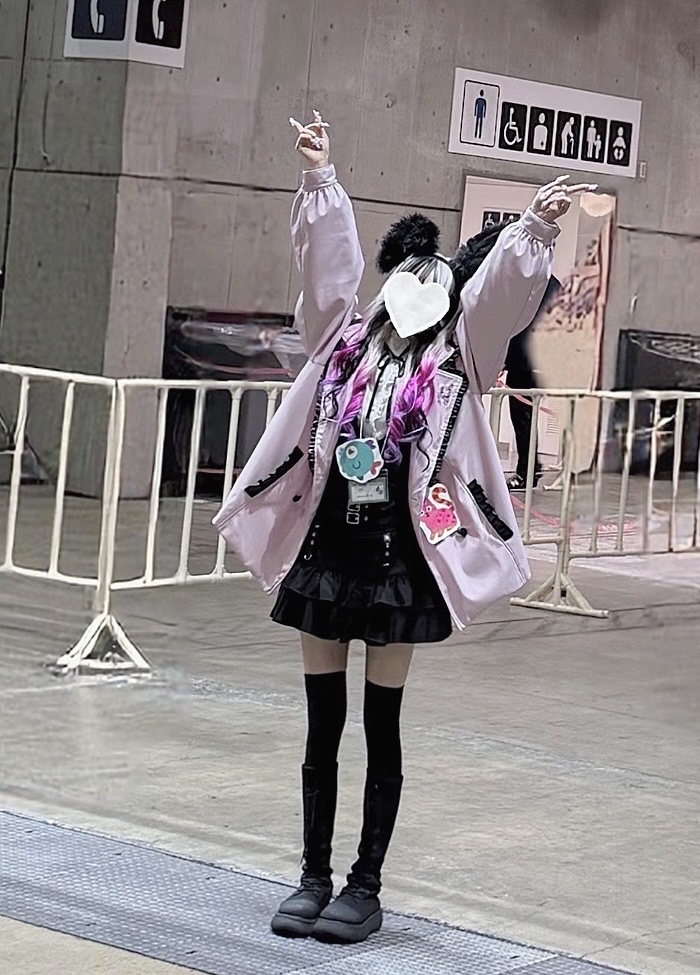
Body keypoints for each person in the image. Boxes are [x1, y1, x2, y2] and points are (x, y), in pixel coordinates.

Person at [213, 110, 591, 945]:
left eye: (432, 281)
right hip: (326, 549)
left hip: (398, 562)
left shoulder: (457, 359)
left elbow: (497, 301)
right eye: (404, 279)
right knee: (321, 723)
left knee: (379, 725)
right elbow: (325, 272)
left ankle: (364, 883)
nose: (414, 292)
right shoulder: (340, 346)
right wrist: (320, 176)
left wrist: (532, 228)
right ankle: (312, 875)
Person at [503, 272, 562, 491]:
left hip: (524, 361)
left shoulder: (526, 284)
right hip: (542, 359)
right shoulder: (553, 284)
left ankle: (526, 471)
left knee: (523, 418)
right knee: (527, 417)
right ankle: (530, 469)